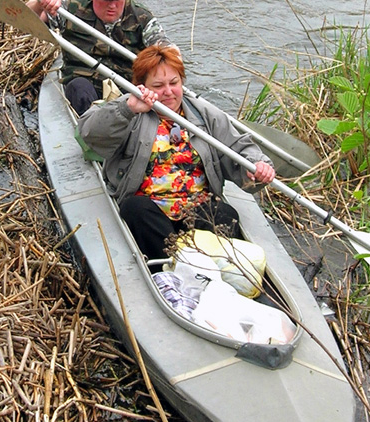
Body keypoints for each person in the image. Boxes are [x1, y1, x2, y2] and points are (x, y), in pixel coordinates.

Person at [77, 44, 275, 262]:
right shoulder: (130, 108)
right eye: (158, 86)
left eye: (174, 83)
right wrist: (127, 109)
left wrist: (257, 166)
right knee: (135, 210)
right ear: (142, 86)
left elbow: (238, 147)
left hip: (196, 208)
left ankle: (206, 265)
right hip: (150, 210)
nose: (168, 92)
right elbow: (89, 134)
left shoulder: (205, 114)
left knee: (226, 216)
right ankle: (175, 264)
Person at [27, 0, 169, 115]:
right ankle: (90, 126)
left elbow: (164, 46)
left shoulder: (141, 17)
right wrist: (40, 2)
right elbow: (27, 19)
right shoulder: (72, 9)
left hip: (127, 87)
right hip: (84, 84)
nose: (112, 6)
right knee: (79, 89)